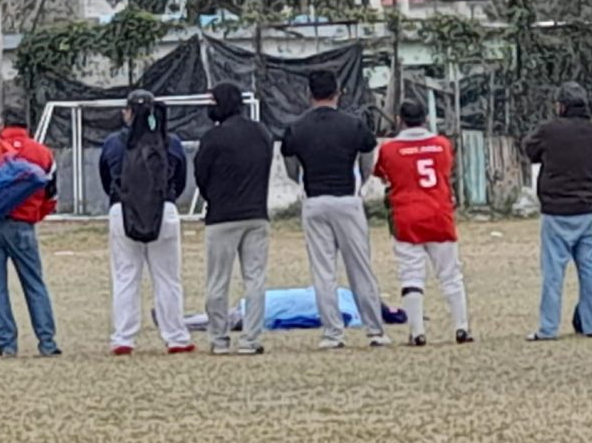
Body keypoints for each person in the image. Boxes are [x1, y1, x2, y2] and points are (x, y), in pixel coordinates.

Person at [281, 70, 390, 350]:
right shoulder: (354, 125)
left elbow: (292, 169)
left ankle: (332, 333)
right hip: (347, 199)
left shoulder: (296, 128)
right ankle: (375, 330)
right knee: (360, 268)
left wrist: (304, 183)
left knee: (323, 270)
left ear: (309, 95)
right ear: (338, 92)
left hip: (314, 201)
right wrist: (360, 184)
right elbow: (367, 161)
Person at [99, 90, 195, 356]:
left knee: (125, 276)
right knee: (168, 278)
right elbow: (181, 181)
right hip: (164, 210)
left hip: (123, 210)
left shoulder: (113, 143)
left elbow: (106, 179)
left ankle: (123, 338)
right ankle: (175, 336)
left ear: (128, 112)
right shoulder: (170, 142)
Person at [374, 99, 473, 347]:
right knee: (450, 273)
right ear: (425, 118)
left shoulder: (389, 149)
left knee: (411, 274)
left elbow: (382, 175)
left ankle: (417, 332)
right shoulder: (441, 144)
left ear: (399, 120)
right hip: (439, 214)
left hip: (406, 217)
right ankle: (462, 327)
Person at [0, 108, 61, 357]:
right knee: (34, 283)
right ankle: (47, 342)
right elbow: (51, 196)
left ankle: (7, 344)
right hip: (23, 226)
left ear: (1, 125)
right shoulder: (43, 154)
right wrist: (34, 216)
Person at [523, 81, 592, 341]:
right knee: (591, 270)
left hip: (556, 210)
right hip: (587, 209)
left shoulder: (549, 130)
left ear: (561, 106)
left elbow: (530, 150)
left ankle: (548, 328)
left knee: (553, 272)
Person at [194, 82, 274, 355]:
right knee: (255, 279)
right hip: (256, 214)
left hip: (222, 217)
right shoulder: (261, 132)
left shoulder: (213, 138)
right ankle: (251, 339)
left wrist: (213, 198)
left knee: (218, 280)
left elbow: (201, 176)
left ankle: (219, 338)